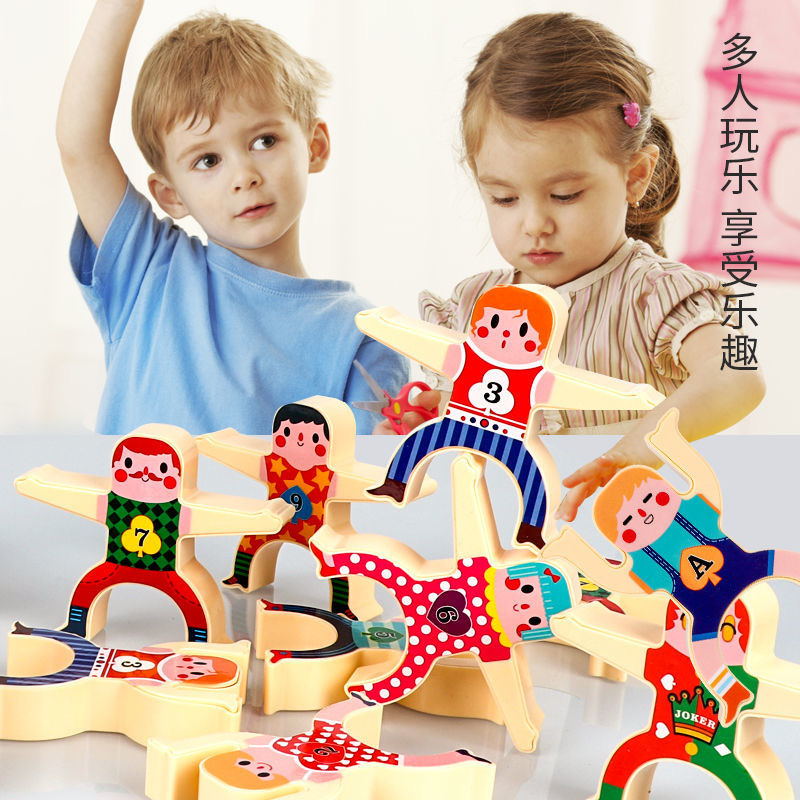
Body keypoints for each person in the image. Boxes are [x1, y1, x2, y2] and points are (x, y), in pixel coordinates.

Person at [416, 12, 764, 519]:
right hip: (511, 549)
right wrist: (418, 426)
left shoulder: (655, 295)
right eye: (504, 198)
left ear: (635, 176)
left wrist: (637, 448)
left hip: (633, 541)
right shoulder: (471, 309)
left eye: (564, 194)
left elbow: (739, 375)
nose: (534, 224)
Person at [56, 0, 407, 435]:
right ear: (170, 195)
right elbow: (80, 144)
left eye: (264, 141)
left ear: (314, 146)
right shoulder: (147, 271)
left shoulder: (365, 339)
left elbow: (369, 472)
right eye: (207, 160)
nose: (244, 177)